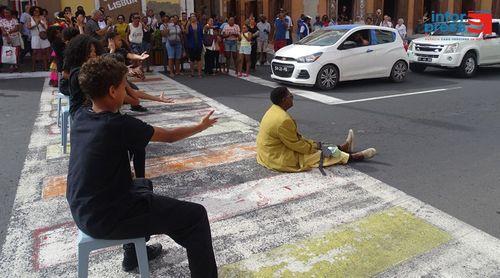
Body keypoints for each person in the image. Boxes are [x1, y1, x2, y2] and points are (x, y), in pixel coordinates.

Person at [67, 55, 218, 276]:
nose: (126, 92)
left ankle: (134, 254)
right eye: (123, 87)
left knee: (143, 184)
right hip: (106, 218)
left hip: (83, 210)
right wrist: (200, 126)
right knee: (196, 217)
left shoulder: (81, 115)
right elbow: (169, 136)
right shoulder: (117, 125)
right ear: (112, 91)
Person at [256, 87, 377, 173]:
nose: (293, 98)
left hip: (271, 152)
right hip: (277, 158)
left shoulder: (273, 110)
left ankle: (342, 147)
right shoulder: (283, 120)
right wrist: (314, 148)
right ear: (283, 100)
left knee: (317, 145)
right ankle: (354, 157)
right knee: (319, 154)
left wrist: (315, 144)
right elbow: (296, 145)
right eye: (290, 96)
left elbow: (295, 139)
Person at [27, 6, 50, 71]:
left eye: (38, 11)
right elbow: (29, 27)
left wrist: (41, 23)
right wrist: (36, 24)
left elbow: (46, 28)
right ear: (32, 12)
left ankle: (45, 67)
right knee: (34, 52)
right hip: (35, 36)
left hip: (43, 36)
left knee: (44, 52)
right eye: (35, 11)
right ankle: (33, 67)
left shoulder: (43, 18)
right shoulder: (30, 18)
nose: (36, 12)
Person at [0, 7, 22, 72]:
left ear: (10, 13)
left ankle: (16, 65)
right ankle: (12, 66)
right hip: (6, 38)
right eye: (5, 13)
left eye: (7, 12)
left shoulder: (14, 20)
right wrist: (8, 37)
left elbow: (16, 28)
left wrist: (8, 32)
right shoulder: (1, 21)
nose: (6, 14)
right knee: (9, 52)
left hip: (15, 37)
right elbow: (2, 31)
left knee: (16, 52)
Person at [185, 13, 203, 78]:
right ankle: (192, 73)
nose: (193, 18)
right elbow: (186, 33)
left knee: (199, 59)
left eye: (194, 16)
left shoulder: (199, 25)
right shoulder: (189, 25)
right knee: (192, 59)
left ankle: (199, 73)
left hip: (198, 44)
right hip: (191, 44)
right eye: (191, 17)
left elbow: (201, 34)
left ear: (196, 17)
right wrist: (187, 25)